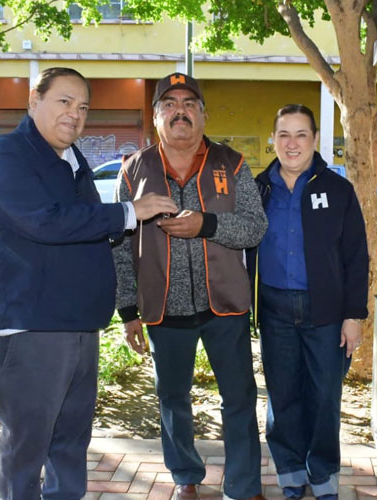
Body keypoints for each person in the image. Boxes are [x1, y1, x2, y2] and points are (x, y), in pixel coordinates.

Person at [0, 67, 177, 500]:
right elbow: (46, 222)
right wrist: (128, 212)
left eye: (83, 107)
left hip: (78, 324)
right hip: (30, 326)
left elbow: (88, 230)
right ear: (34, 101)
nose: (75, 114)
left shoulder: (72, 159)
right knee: (27, 450)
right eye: (64, 101)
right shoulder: (5, 156)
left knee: (69, 443)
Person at [112, 72, 267, 500]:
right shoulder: (133, 170)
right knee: (172, 399)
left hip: (226, 306)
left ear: (203, 114)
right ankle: (185, 475)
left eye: (189, 104)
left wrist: (207, 225)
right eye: (169, 104)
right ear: (155, 115)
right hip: (164, 309)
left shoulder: (232, 163)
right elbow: (120, 246)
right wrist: (127, 311)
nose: (179, 111)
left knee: (239, 399)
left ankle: (243, 485)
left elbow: (256, 227)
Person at [249, 104, 369, 500]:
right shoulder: (258, 189)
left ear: (315, 140)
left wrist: (354, 315)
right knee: (282, 395)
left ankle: (323, 474)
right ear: (273, 139)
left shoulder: (338, 190)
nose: (292, 143)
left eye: (301, 134)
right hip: (275, 310)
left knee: (323, 397)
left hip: (326, 313)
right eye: (284, 134)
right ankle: (289, 471)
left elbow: (357, 256)